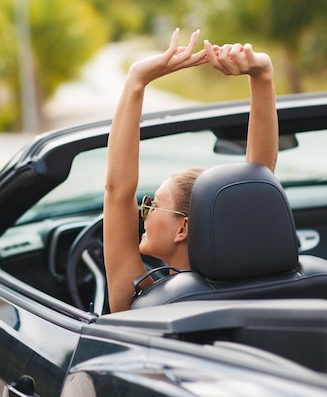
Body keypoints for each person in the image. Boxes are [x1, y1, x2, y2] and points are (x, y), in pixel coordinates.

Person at [103, 29, 278, 313]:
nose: (141, 212)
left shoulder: (145, 304)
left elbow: (117, 192)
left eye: (153, 205)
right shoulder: (262, 285)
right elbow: (258, 179)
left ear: (183, 228)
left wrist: (137, 79)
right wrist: (263, 75)